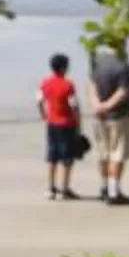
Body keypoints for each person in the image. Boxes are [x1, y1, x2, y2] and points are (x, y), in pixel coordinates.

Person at [91, 41, 129, 204]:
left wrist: (96, 104)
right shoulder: (123, 64)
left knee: (103, 152)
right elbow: (123, 91)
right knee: (117, 154)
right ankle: (113, 192)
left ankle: (104, 187)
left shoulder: (97, 59)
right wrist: (107, 105)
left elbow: (91, 84)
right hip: (118, 115)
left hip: (99, 116)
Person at [38, 53, 84, 199]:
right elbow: (74, 106)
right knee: (67, 157)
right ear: (64, 67)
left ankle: (51, 188)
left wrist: (44, 115)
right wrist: (78, 123)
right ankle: (64, 189)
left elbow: (39, 101)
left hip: (51, 123)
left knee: (52, 155)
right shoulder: (68, 85)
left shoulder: (45, 83)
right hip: (67, 124)